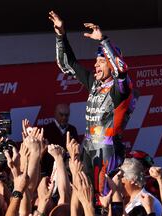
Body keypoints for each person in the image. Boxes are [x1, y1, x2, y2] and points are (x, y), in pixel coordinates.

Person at [49, 11, 137, 195]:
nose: (95, 65)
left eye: (100, 61)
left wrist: (103, 40)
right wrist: (60, 36)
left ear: (111, 65)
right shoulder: (95, 83)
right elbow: (68, 64)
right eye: (96, 61)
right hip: (87, 147)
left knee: (104, 198)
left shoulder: (121, 89)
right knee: (83, 194)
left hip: (108, 150)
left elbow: (121, 70)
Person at [42, 103, 79, 175]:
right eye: (61, 114)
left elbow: (76, 149)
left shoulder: (72, 129)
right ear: (55, 114)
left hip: (68, 171)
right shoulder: (46, 130)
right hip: (51, 170)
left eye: (66, 115)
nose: (64, 117)